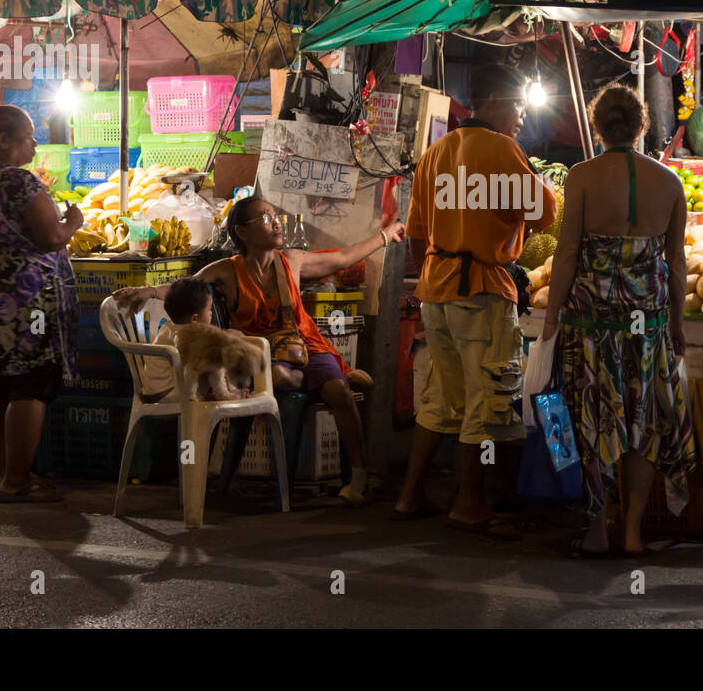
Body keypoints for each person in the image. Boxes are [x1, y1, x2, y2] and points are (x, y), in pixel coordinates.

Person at [115, 197, 405, 506]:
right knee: (280, 376)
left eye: (274, 216)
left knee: (340, 393)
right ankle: (315, 381)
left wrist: (386, 235)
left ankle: (358, 478)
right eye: (265, 219)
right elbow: (185, 288)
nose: (276, 222)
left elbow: (344, 257)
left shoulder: (292, 261)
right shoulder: (226, 271)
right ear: (242, 232)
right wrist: (148, 292)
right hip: (257, 354)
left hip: (303, 346)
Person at [393, 63, 557, 540]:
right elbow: (543, 214)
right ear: (490, 103)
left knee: (442, 399)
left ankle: (409, 495)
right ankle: (470, 505)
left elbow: (418, 231)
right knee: (486, 402)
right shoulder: (503, 149)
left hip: (435, 289)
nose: (522, 117)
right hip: (482, 291)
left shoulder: (437, 151)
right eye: (518, 106)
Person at [541, 82, 696, 558]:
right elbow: (676, 262)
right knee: (642, 423)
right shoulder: (669, 182)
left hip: (591, 326)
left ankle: (596, 530)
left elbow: (566, 255)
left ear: (596, 125)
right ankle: (631, 532)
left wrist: (550, 319)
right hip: (647, 327)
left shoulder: (582, 177)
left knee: (593, 422)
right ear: (642, 124)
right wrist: (677, 325)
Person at [0, 105, 81, 503]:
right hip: (29, 306)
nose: (35, 142)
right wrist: (74, 223)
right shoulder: (20, 182)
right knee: (30, 385)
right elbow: (50, 237)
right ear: (5, 141)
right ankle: (17, 481)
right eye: (28, 136)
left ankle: (3, 474)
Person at [138, 277, 231, 403]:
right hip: (165, 396)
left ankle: (221, 394)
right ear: (194, 319)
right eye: (209, 309)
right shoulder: (183, 334)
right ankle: (225, 394)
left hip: (157, 392)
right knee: (213, 364)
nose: (211, 314)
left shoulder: (169, 327)